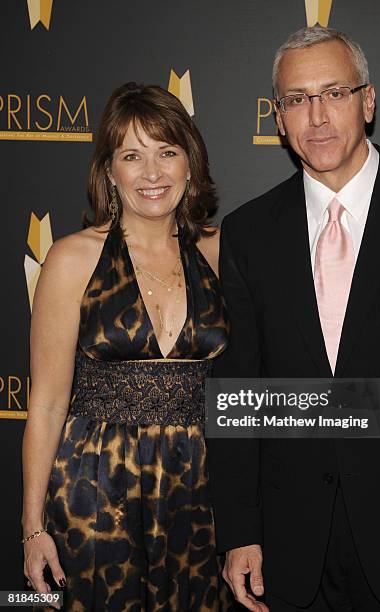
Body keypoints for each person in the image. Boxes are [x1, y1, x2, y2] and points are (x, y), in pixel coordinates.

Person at [207, 26, 380, 612]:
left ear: (368, 101)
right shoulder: (247, 232)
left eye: (335, 93)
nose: (316, 117)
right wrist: (240, 529)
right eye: (297, 99)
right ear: (278, 116)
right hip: (292, 549)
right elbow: (236, 387)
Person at [22, 82, 233, 611]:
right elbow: (47, 405)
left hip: (200, 491)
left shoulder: (222, 253)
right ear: (110, 171)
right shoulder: (72, 259)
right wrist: (31, 528)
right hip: (96, 491)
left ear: (190, 163)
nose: (153, 173)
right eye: (132, 156)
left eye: (167, 152)